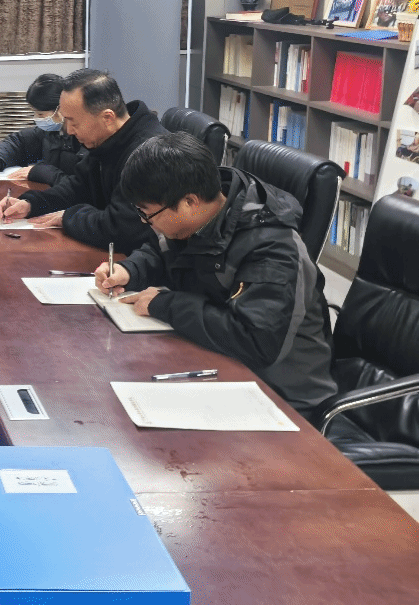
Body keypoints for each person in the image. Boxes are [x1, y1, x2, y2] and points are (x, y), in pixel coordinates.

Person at [94, 133, 336, 416]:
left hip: (282, 397)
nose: (145, 222)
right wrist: (129, 269)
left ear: (190, 202)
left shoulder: (274, 248)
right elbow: (164, 252)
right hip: (215, 365)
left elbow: (254, 341)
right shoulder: (199, 216)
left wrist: (165, 304)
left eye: (147, 214)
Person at [0, 68, 166, 253]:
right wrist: (31, 204)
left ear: (107, 117)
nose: (69, 131)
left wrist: (68, 217)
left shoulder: (148, 154)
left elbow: (122, 229)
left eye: (74, 122)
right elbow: (77, 187)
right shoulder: (108, 140)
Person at [0, 73, 81, 184]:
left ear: (60, 110)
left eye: (40, 114)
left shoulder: (84, 138)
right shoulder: (50, 132)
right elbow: (18, 143)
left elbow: (80, 184)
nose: (36, 118)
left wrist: (38, 172)